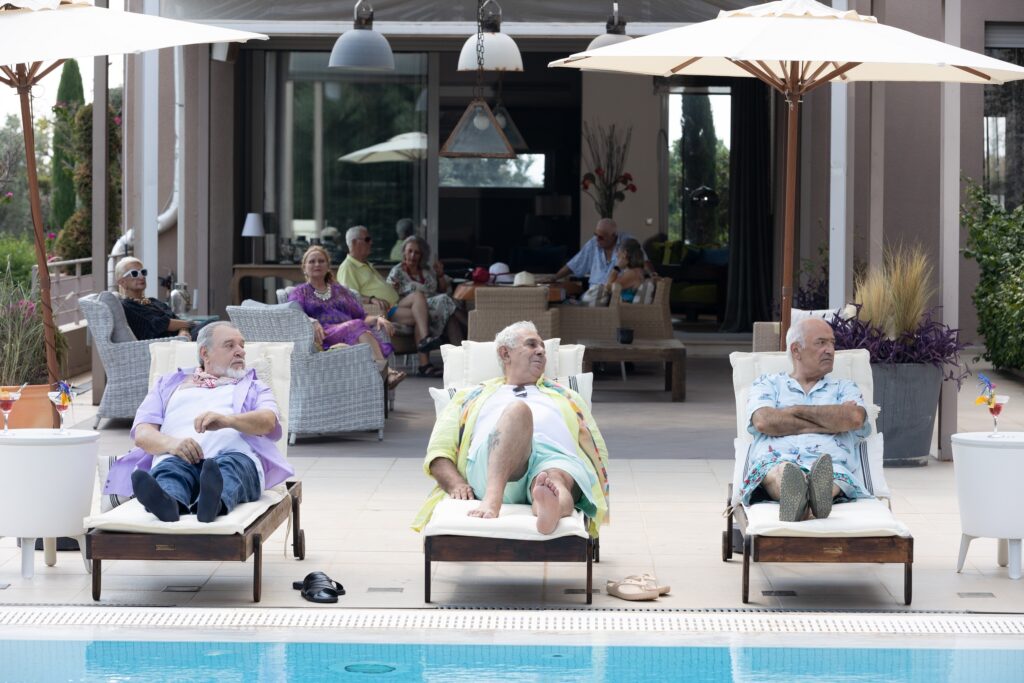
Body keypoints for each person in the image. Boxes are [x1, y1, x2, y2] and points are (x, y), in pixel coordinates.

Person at [412, 321, 609, 536]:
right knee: (518, 411)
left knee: (554, 480)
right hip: (493, 464)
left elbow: (595, 447)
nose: (541, 351)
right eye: (531, 345)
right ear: (505, 354)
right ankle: (493, 499)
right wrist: (455, 483)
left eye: (543, 348)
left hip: (553, 458)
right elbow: (439, 450)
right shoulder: (468, 397)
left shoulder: (568, 397)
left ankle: (548, 508)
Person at [102, 322, 294, 523]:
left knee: (230, 469)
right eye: (230, 345)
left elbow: (268, 421)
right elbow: (142, 433)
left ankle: (212, 503)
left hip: (235, 457)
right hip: (178, 457)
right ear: (205, 353)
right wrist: (173, 444)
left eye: (242, 345)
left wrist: (227, 420)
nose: (241, 351)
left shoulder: (255, 386)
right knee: (170, 471)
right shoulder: (168, 384)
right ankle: (169, 503)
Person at [742, 317, 873, 522]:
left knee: (828, 476)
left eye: (832, 343)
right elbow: (763, 421)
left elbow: (855, 418)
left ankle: (810, 499)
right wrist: (831, 420)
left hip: (829, 468)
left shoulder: (845, 387)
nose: (830, 350)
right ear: (796, 350)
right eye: (821, 343)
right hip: (776, 462)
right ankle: (801, 499)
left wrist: (790, 413)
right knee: (783, 471)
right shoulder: (768, 383)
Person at [289, 245, 406, 390]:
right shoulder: (300, 292)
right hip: (323, 335)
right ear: (304, 268)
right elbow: (293, 314)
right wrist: (311, 321)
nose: (317, 264)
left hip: (351, 333)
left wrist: (377, 319)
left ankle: (374, 383)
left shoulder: (340, 291)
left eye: (321, 261)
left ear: (327, 266)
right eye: (312, 261)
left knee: (359, 333)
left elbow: (361, 317)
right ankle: (386, 373)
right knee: (356, 326)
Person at [336, 225, 441, 356]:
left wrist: (391, 289)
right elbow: (348, 296)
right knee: (422, 316)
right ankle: (425, 349)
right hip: (384, 310)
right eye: (367, 239)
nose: (371, 242)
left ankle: (425, 343)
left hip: (396, 304)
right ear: (354, 243)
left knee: (418, 296)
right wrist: (371, 299)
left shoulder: (365, 264)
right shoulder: (347, 267)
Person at [387, 236, 467, 377]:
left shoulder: (427, 270)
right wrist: (393, 288)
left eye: (417, 252)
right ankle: (470, 326)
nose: (413, 255)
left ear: (421, 255)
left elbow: (442, 290)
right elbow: (389, 294)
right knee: (441, 299)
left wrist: (440, 275)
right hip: (407, 305)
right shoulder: (397, 272)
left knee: (451, 318)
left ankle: (460, 363)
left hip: (433, 307)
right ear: (404, 252)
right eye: (410, 251)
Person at [544, 218, 651, 286]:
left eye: (601, 237)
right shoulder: (593, 243)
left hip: (606, 298)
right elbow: (574, 264)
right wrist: (555, 277)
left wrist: (652, 275)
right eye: (596, 235)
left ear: (613, 235)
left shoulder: (626, 243)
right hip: (593, 294)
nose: (597, 239)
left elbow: (643, 261)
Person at [114, 256, 195, 340]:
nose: (142, 277)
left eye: (143, 272)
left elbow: (176, 318)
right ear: (122, 282)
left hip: (185, 338)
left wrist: (183, 331)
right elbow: (159, 324)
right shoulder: (127, 306)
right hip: (164, 344)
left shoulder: (154, 301)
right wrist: (192, 324)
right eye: (134, 273)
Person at [606, 238, 648, 302]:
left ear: (624, 254)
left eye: (618, 251)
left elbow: (607, 288)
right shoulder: (639, 270)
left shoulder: (632, 273)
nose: (617, 255)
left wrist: (617, 268)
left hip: (624, 308)